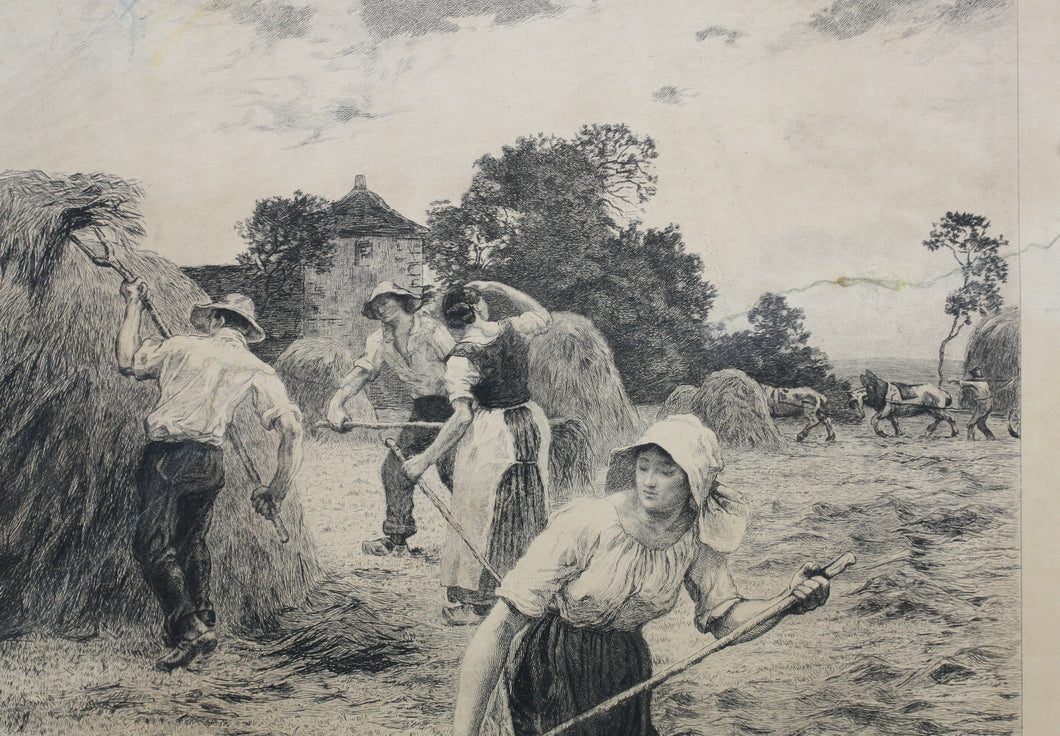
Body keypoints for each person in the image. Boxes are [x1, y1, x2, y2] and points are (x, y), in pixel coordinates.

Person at [452, 414, 832, 736]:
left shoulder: (697, 539)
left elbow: (726, 619)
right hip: (555, 662)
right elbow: (500, 626)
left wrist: (787, 603)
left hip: (625, 668)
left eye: (667, 471)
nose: (649, 481)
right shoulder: (589, 523)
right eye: (643, 466)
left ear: (694, 482)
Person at [116, 281, 303, 671]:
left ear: (216, 319)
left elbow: (127, 361)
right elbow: (292, 430)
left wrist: (133, 304)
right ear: (244, 330)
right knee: (191, 540)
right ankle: (205, 616)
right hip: (210, 462)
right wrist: (276, 488)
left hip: (168, 456)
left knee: (151, 545)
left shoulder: (182, 346)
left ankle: (189, 629)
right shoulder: (257, 367)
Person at [402, 281, 552, 626]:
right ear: (482, 307)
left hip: (493, 435)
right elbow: (543, 314)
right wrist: (498, 285)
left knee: (482, 511)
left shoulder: (461, 358)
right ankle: (528, 591)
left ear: (451, 321)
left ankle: (480, 603)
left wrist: (424, 459)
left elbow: (461, 416)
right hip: (530, 422)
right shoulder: (511, 328)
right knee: (527, 504)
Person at [326, 281, 457, 556]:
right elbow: (362, 373)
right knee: (395, 469)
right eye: (376, 305)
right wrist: (336, 404)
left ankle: (483, 533)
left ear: (403, 301)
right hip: (422, 409)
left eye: (385, 302)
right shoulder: (378, 340)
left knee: (455, 474)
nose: (381, 309)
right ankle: (397, 540)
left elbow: (460, 362)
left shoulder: (432, 330)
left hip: (455, 407)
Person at [949, 366, 995, 440]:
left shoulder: (977, 383)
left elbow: (963, 383)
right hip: (987, 403)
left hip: (983, 404)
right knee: (980, 424)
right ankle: (991, 437)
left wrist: (953, 380)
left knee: (971, 423)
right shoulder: (983, 382)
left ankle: (970, 439)